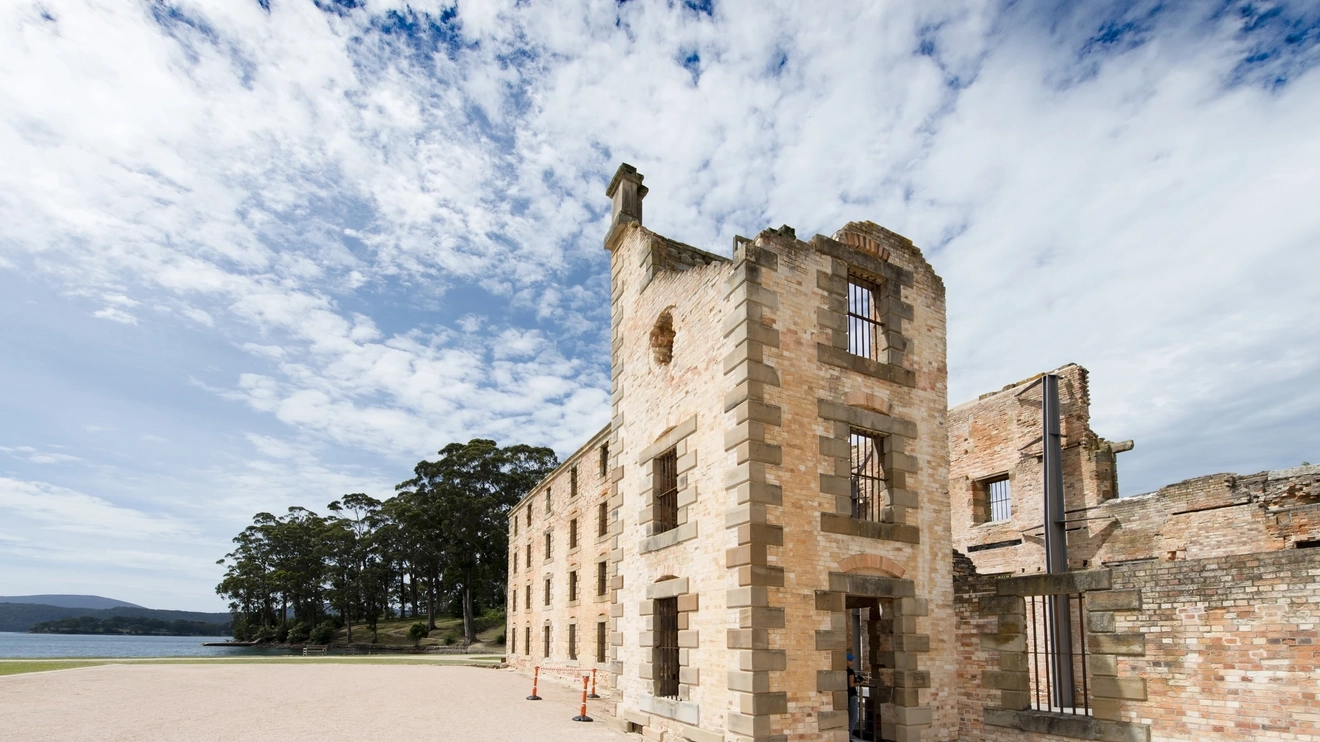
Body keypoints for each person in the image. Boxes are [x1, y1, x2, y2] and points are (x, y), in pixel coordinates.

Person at [846, 651, 858, 740]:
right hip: (852, 696)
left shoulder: (843, 671)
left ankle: (848, 735)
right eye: (850, 660)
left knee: (848, 716)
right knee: (853, 717)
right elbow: (851, 685)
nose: (852, 662)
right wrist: (860, 683)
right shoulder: (850, 671)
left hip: (846, 695)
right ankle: (849, 736)